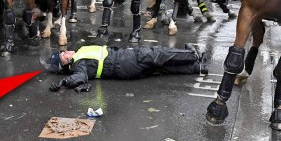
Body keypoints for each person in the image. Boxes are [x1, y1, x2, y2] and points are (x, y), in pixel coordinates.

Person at [47, 43, 207, 92]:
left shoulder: (78, 57)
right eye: (64, 55)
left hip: (124, 66)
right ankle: (192, 55)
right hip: (125, 61)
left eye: (64, 51)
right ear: (66, 64)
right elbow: (80, 77)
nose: (67, 51)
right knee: (157, 54)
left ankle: (196, 68)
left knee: (159, 69)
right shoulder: (77, 63)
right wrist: (64, 82)